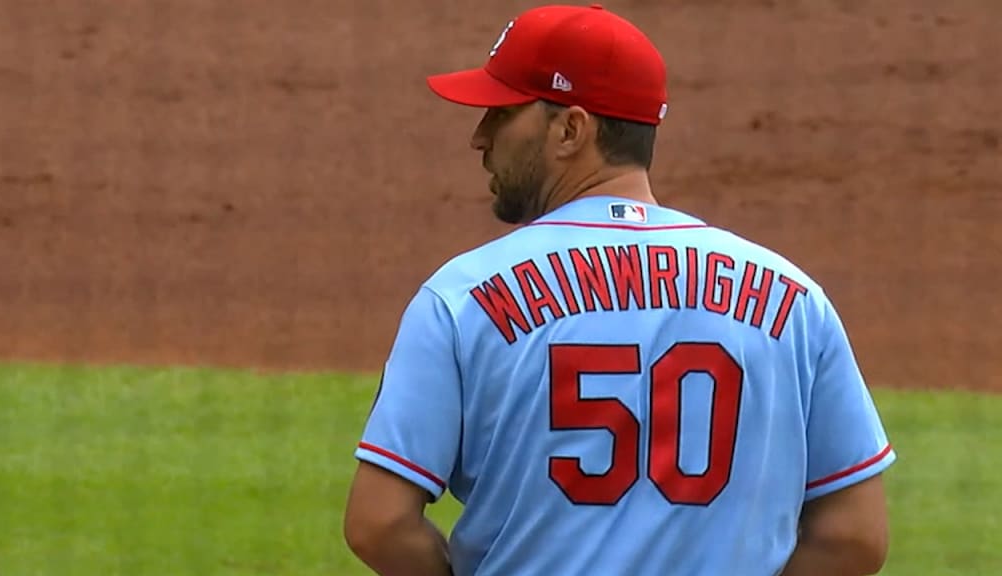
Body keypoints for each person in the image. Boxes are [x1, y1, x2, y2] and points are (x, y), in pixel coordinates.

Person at [343, 3, 896, 575]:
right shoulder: (795, 301)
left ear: (571, 129)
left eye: (503, 113)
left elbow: (379, 523)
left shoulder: (461, 299)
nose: (480, 136)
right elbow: (854, 537)